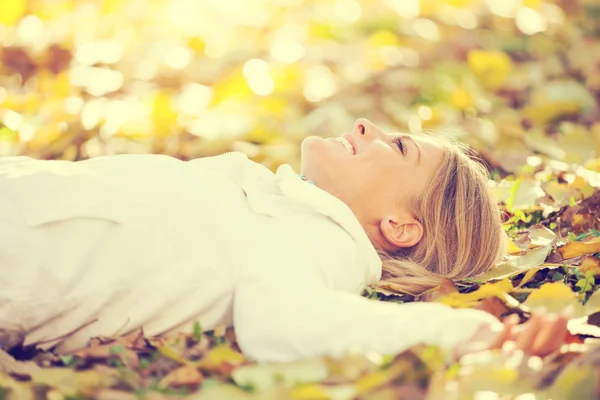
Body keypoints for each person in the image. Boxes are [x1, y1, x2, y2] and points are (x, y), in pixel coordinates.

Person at [0, 118, 568, 363]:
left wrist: (472, 333)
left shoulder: (324, 240)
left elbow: (288, 323)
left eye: (398, 149)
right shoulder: (283, 208)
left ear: (399, 227)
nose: (367, 128)